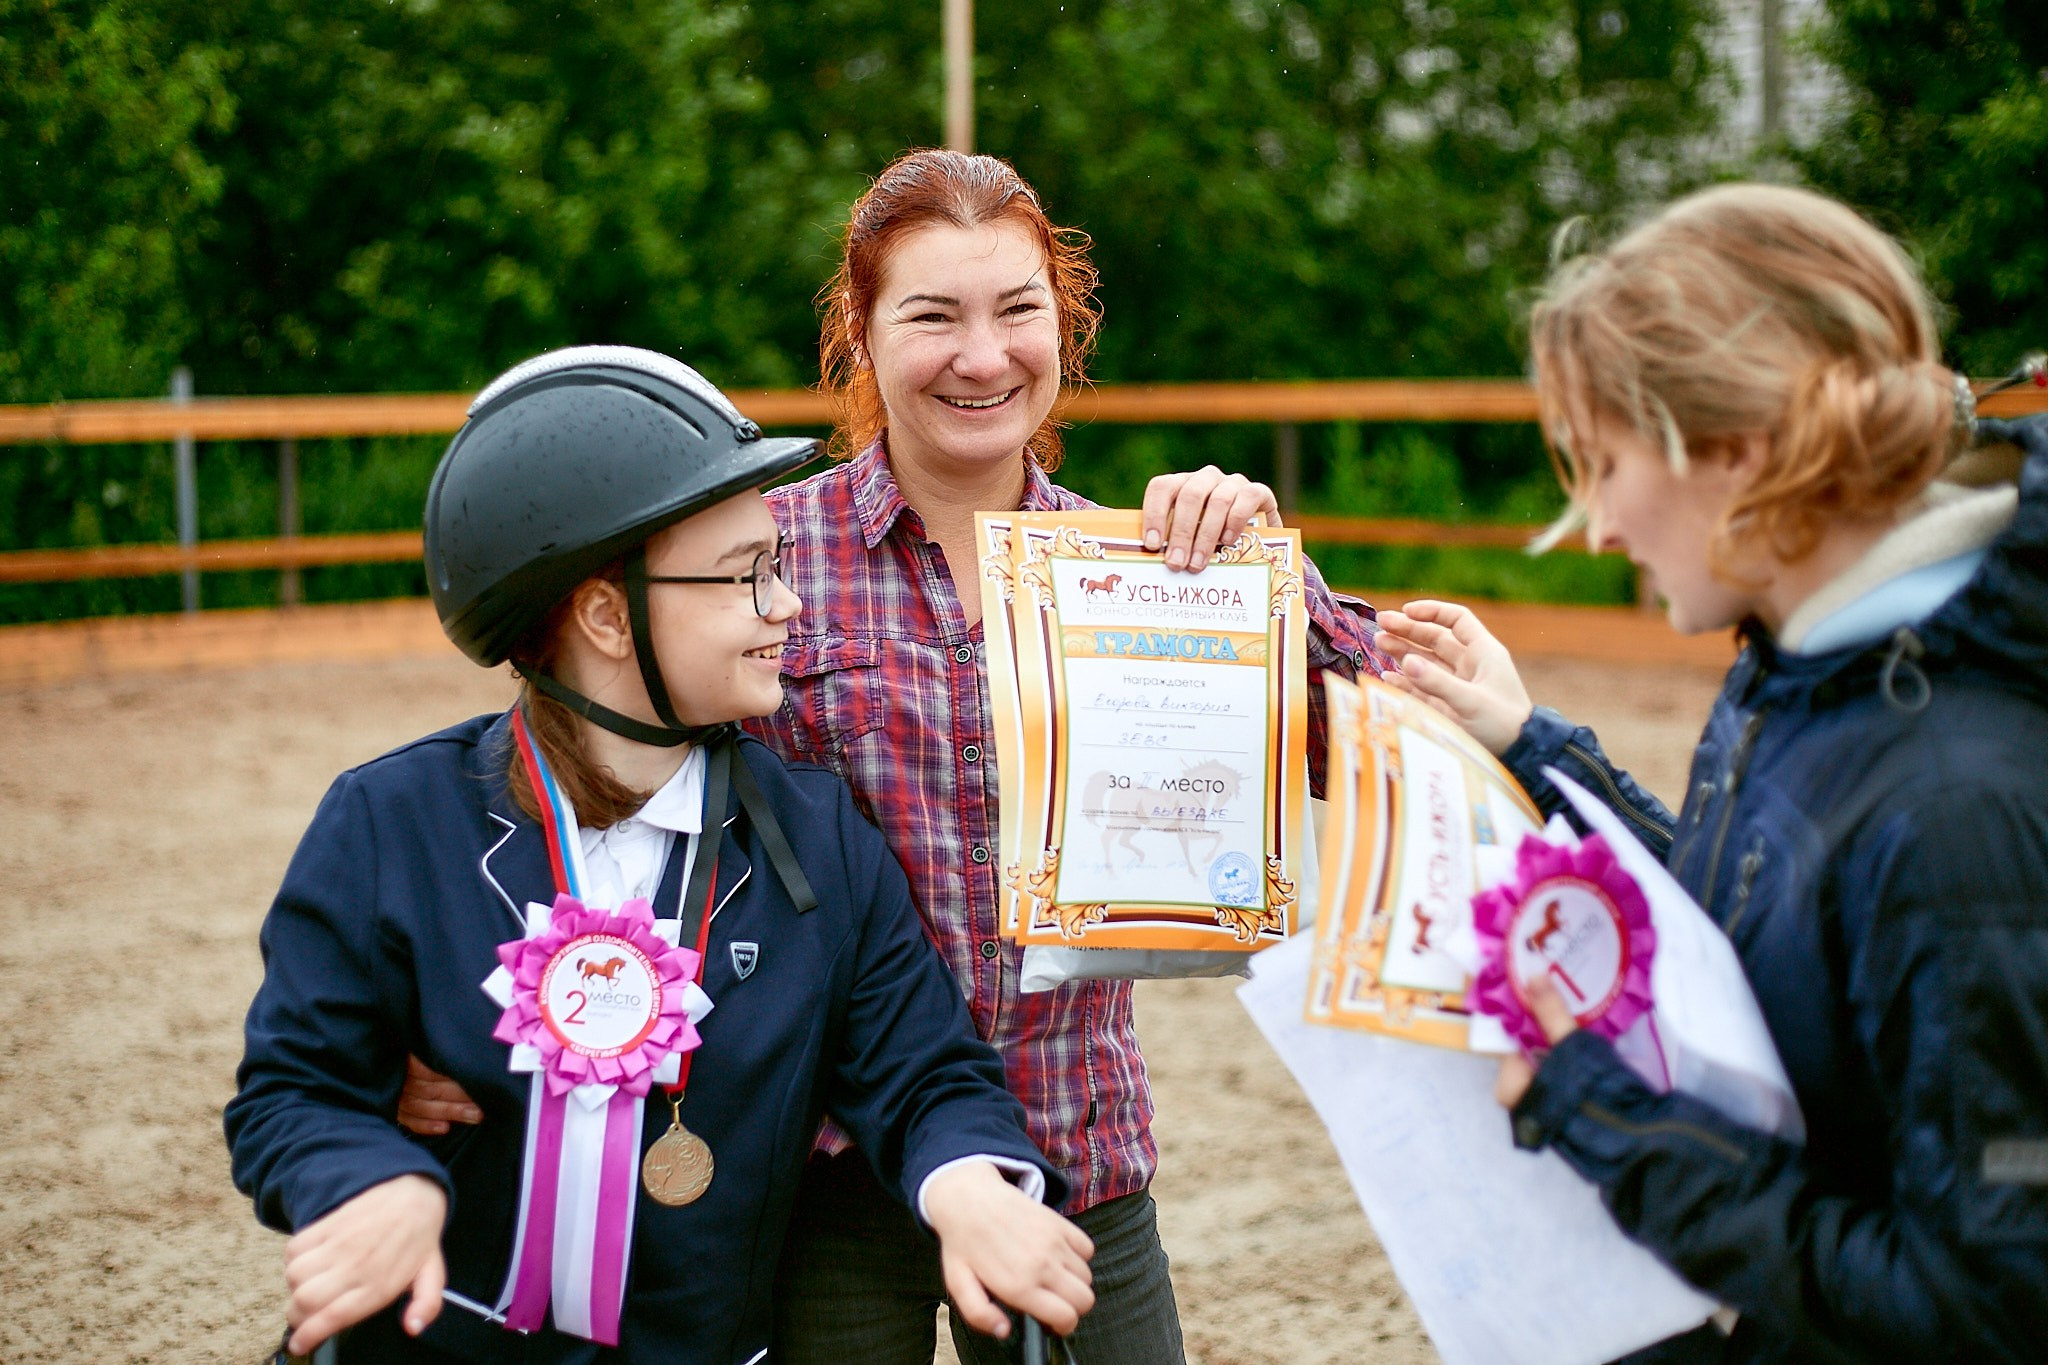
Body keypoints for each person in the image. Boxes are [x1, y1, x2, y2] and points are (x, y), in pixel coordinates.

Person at [398, 149, 1394, 1362]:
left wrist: (1264, 573)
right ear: (859, 336)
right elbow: (572, 770)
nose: (983, 357)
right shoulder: (762, 557)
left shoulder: (1150, 569)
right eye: (932, 316)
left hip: (1072, 1160)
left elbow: (1388, 742)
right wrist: (426, 1019)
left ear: (1062, 330)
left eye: (1017, 310)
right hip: (818, 1175)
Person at [225, 346, 1095, 1364]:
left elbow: (924, 1075)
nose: (787, 607)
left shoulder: (816, 841)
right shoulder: (387, 823)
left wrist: (967, 1188)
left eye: (777, 568)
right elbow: (292, 1093)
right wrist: (376, 1181)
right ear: (603, 612)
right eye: (744, 579)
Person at [1375, 184, 2048, 1362]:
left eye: (1605, 463)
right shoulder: (1804, 652)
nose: (1595, 525)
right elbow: (1745, 908)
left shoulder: (1956, 815)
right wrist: (1529, 744)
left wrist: (1614, 1127)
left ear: (1737, 454)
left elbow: (1981, 1306)